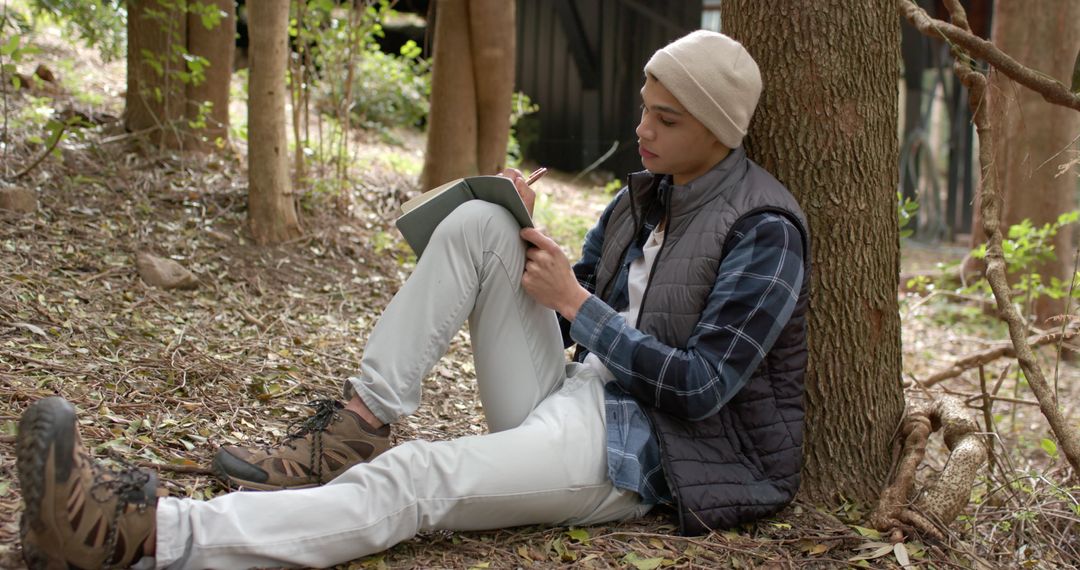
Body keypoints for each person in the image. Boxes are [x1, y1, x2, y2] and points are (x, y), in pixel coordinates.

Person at [15, 29, 810, 569]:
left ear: (718, 129)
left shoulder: (765, 228)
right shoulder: (654, 189)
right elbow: (587, 291)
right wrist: (524, 231)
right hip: (580, 395)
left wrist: (576, 303)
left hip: (646, 453)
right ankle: (358, 423)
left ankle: (145, 535)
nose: (643, 128)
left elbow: (704, 389)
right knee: (476, 222)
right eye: (644, 106)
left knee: (418, 479)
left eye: (665, 119)